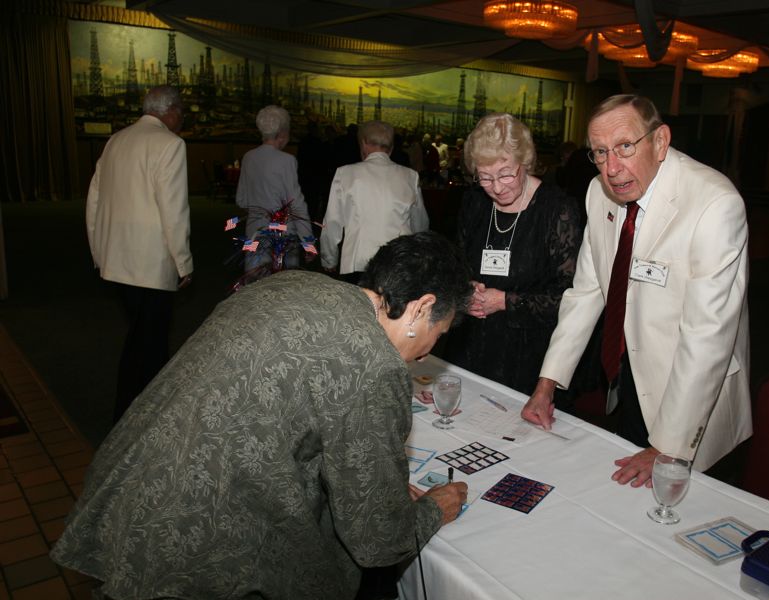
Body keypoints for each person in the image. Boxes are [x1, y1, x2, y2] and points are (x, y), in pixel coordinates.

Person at [51, 232, 471, 600]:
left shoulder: (290, 283)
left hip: (130, 489)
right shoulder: (374, 365)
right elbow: (377, 539)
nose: (428, 351)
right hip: (193, 548)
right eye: (441, 331)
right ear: (421, 308)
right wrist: (434, 509)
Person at [522, 94, 751, 487]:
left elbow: (706, 337)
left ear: (660, 141)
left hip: (694, 400)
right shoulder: (599, 193)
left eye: (625, 147)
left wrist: (668, 446)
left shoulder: (715, 205)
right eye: (599, 153)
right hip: (629, 375)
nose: (612, 168)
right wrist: (547, 384)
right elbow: (587, 291)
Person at [440, 113, 582, 401]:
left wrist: (504, 301)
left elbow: (568, 298)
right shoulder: (475, 202)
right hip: (472, 344)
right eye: (485, 177)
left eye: (506, 173)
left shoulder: (557, 210)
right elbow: (456, 264)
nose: (497, 186)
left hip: (528, 353)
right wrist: (464, 289)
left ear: (525, 163)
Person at [85, 85, 193, 423]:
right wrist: (183, 261)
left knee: (139, 334)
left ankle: (137, 410)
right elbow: (174, 211)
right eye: (182, 112)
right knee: (149, 342)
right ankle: (138, 414)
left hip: (116, 259)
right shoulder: (171, 144)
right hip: (150, 263)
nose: (182, 118)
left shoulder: (116, 140)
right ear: (172, 110)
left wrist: (98, 251)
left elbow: (93, 202)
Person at [321, 120, 429, 283]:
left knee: (360, 307)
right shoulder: (410, 176)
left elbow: (332, 222)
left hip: (359, 260)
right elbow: (420, 223)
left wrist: (329, 259)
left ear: (363, 143)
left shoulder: (346, 174)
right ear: (391, 147)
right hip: (398, 260)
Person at [237, 105, 313, 273]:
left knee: (255, 285)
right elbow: (296, 203)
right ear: (282, 135)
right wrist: (308, 243)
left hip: (254, 234)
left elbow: (241, 199)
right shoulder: (287, 160)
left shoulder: (249, 157)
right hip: (283, 238)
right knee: (281, 289)